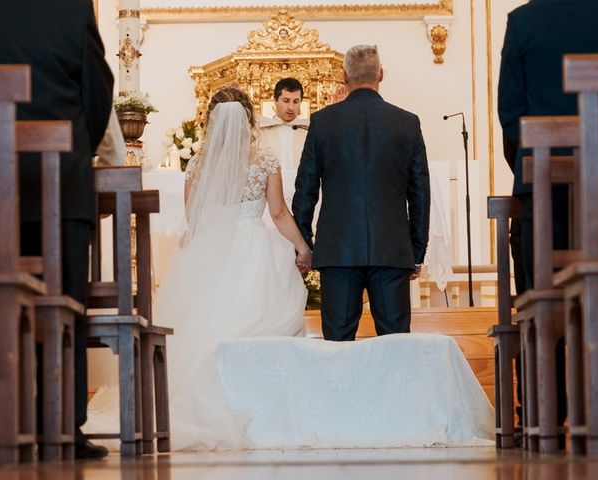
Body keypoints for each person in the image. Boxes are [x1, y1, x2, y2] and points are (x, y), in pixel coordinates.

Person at [0, 0, 114, 460]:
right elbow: (96, 89)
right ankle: (62, 424)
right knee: (63, 299)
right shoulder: (70, 8)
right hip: (60, 177)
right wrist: (70, 148)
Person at [153, 87, 310, 450]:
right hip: (254, 251)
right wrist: (302, 247)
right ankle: (262, 410)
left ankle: (203, 403)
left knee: (206, 331)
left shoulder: (197, 164)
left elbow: (195, 221)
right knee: (255, 328)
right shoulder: (265, 162)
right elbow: (278, 213)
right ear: (249, 120)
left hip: (210, 252)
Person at [498, 0, 598, 438]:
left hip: (542, 181)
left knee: (539, 291)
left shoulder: (524, 22)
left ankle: (544, 413)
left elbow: (510, 114)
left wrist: (528, 168)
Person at [292, 44, 430, 341]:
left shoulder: (322, 122)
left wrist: (305, 243)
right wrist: (416, 251)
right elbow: (420, 192)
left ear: (344, 77)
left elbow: (305, 189)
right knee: (396, 345)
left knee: (338, 346)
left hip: (338, 250)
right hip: (391, 249)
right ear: (381, 74)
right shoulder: (407, 123)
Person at [258, 78, 309, 169]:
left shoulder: (309, 131)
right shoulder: (261, 132)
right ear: (275, 100)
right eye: (286, 101)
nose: (291, 107)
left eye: (296, 101)